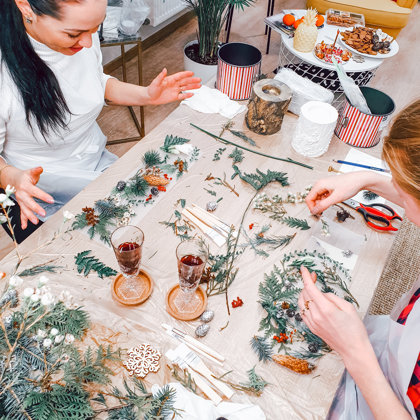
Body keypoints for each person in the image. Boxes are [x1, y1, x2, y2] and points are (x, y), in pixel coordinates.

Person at [0, 0, 201, 242]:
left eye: (95, 28)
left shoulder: (83, 36)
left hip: (97, 165)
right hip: (37, 192)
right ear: (26, 7)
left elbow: (96, 82)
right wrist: (11, 177)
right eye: (73, 34)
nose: (87, 42)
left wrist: (147, 96)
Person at [299, 100, 420, 419]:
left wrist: (354, 351)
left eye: (402, 190)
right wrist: (366, 180)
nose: (397, 192)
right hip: (396, 353)